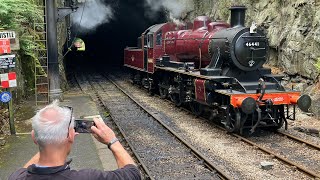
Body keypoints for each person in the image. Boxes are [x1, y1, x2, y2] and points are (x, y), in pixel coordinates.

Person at [9, 101, 141, 180]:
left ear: (34, 137)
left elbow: (24, 170)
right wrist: (112, 140)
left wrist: (46, 139)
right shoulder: (88, 177)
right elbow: (133, 173)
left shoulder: (16, 177)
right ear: (71, 136)